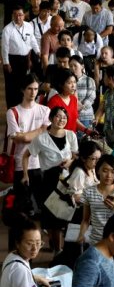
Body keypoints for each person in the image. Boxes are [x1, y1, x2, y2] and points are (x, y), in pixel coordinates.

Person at [22, 106, 78, 252]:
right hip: (49, 181)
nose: (61, 120)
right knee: (53, 219)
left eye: (64, 117)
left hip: (67, 180)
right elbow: (26, 155)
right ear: (51, 118)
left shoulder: (71, 135)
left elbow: (75, 156)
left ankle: (60, 248)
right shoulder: (41, 139)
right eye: (58, 116)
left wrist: (70, 162)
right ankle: (58, 251)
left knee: (66, 216)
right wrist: (25, 174)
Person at [0, 217, 64, 287]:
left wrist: (37, 278)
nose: (35, 248)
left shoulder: (13, 255)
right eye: (29, 244)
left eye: (38, 243)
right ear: (17, 243)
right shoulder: (19, 269)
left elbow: (16, 278)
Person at [7, 74, 50, 219]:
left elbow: (41, 138)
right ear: (22, 90)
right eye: (29, 89)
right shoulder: (13, 112)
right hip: (20, 164)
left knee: (41, 205)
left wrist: (25, 136)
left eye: (36, 89)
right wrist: (40, 130)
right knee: (22, 208)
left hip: (40, 162)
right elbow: (21, 139)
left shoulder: (45, 110)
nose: (33, 93)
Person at [77, 155, 114, 245]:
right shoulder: (89, 191)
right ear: (98, 170)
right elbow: (86, 220)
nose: (109, 176)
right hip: (96, 242)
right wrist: (81, 234)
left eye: (113, 172)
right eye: (105, 171)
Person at [2, 3, 40, 108]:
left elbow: (32, 40)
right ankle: (11, 110)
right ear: (12, 16)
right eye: (15, 15)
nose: (18, 17)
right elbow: (4, 48)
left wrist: (37, 52)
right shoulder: (7, 29)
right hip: (12, 60)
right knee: (12, 87)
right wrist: (6, 63)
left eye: (20, 15)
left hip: (26, 59)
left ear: (24, 15)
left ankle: (23, 108)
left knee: (24, 85)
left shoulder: (28, 26)